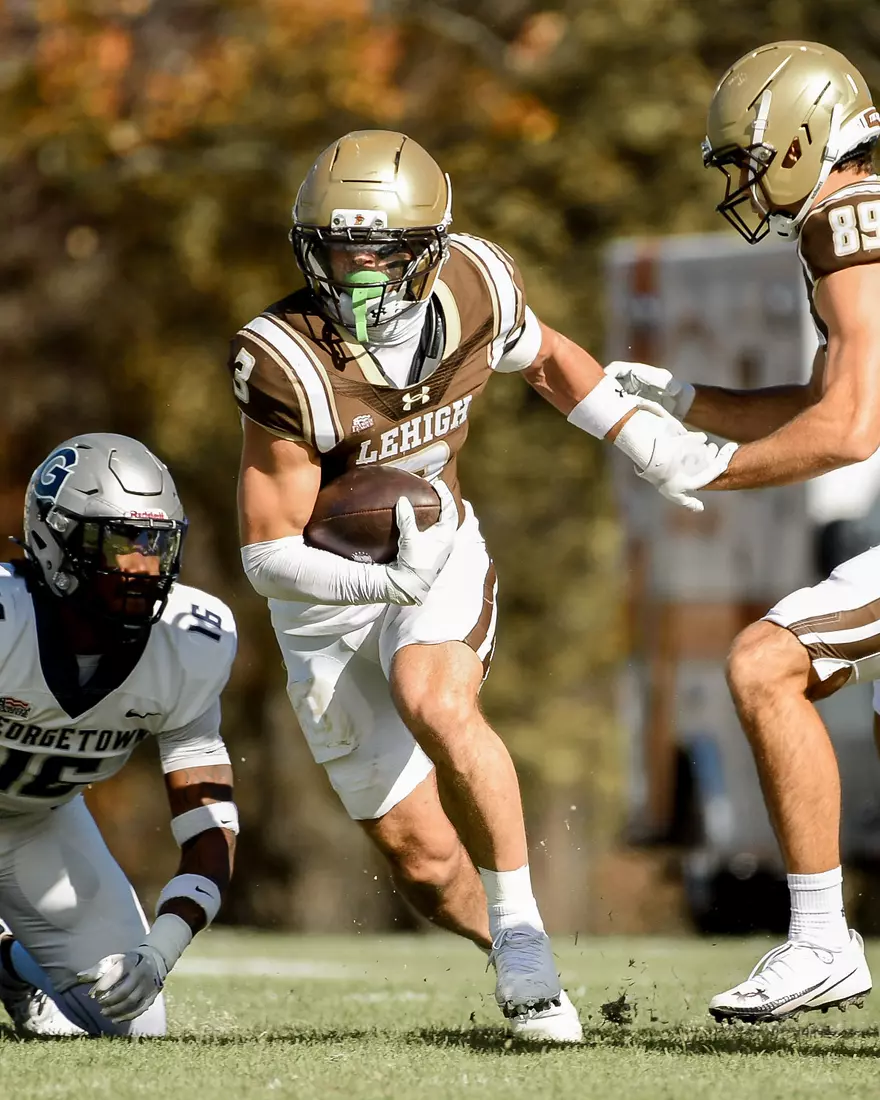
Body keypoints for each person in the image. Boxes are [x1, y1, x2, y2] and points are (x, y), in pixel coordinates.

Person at [228, 130, 728, 1042]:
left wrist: (641, 440)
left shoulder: (476, 283)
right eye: (337, 251)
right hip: (320, 600)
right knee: (422, 864)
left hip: (439, 543)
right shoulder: (284, 357)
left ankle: (528, 929)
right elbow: (265, 554)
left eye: (378, 251)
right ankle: (507, 944)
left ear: (430, 251)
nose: (356, 275)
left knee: (435, 698)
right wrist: (375, 589)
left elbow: (543, 355)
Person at [606, 40, 880, 1022]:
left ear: (805, 138)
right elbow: (820, 397)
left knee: (764, 664)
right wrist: (692, 403)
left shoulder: (850, 215)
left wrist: (706, 468)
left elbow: (850, 426)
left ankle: (819, 940)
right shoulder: (854, 216)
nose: (744, 184)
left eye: (750, 160)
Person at [0, 433, 238, 1037]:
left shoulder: (192, 642)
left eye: (156, 544)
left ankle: (10, 965)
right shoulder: (7, 620)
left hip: (34, 823)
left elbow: (211, 829)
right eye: (119, 542)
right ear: (54, 542)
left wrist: (157, 954)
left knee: (135, 1022)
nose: (141, 565)